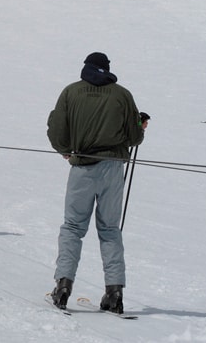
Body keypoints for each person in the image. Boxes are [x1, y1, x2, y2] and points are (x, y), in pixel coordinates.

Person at [47, 52, 147, 313]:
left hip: (82, 167)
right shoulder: (122, 94)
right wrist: (139, 126)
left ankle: (63, 285)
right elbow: (134, 137)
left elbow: (57, 130)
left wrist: (66, 149)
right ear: (107, 69)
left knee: (72, 226)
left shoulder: (70, 92)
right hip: (113, 168)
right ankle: (114, 292)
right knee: (110, 229)